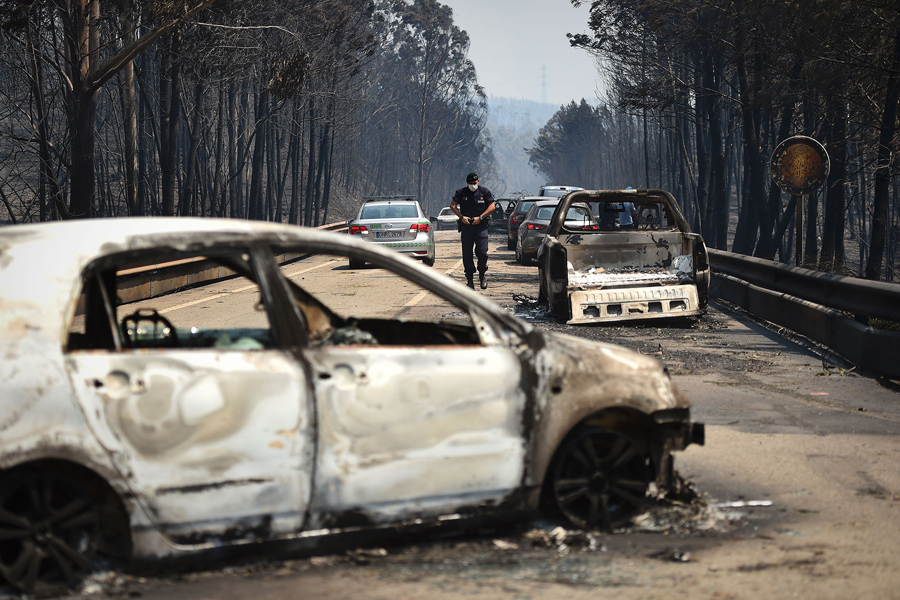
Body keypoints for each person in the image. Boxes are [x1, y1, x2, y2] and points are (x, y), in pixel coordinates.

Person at [451, 172, 496, 289]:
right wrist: (461, 217)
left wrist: (481, 217)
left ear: (478, 181)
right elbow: (452, 205)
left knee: (482, 252)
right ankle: (469, 280)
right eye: (470, 184)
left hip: (481, 227)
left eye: (474, 183)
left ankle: (482, 275)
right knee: (467, 254)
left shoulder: (484, 192)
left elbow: (492, 206)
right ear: (467, 183)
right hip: (466, 227)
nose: (473, 186)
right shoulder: (461, 192)